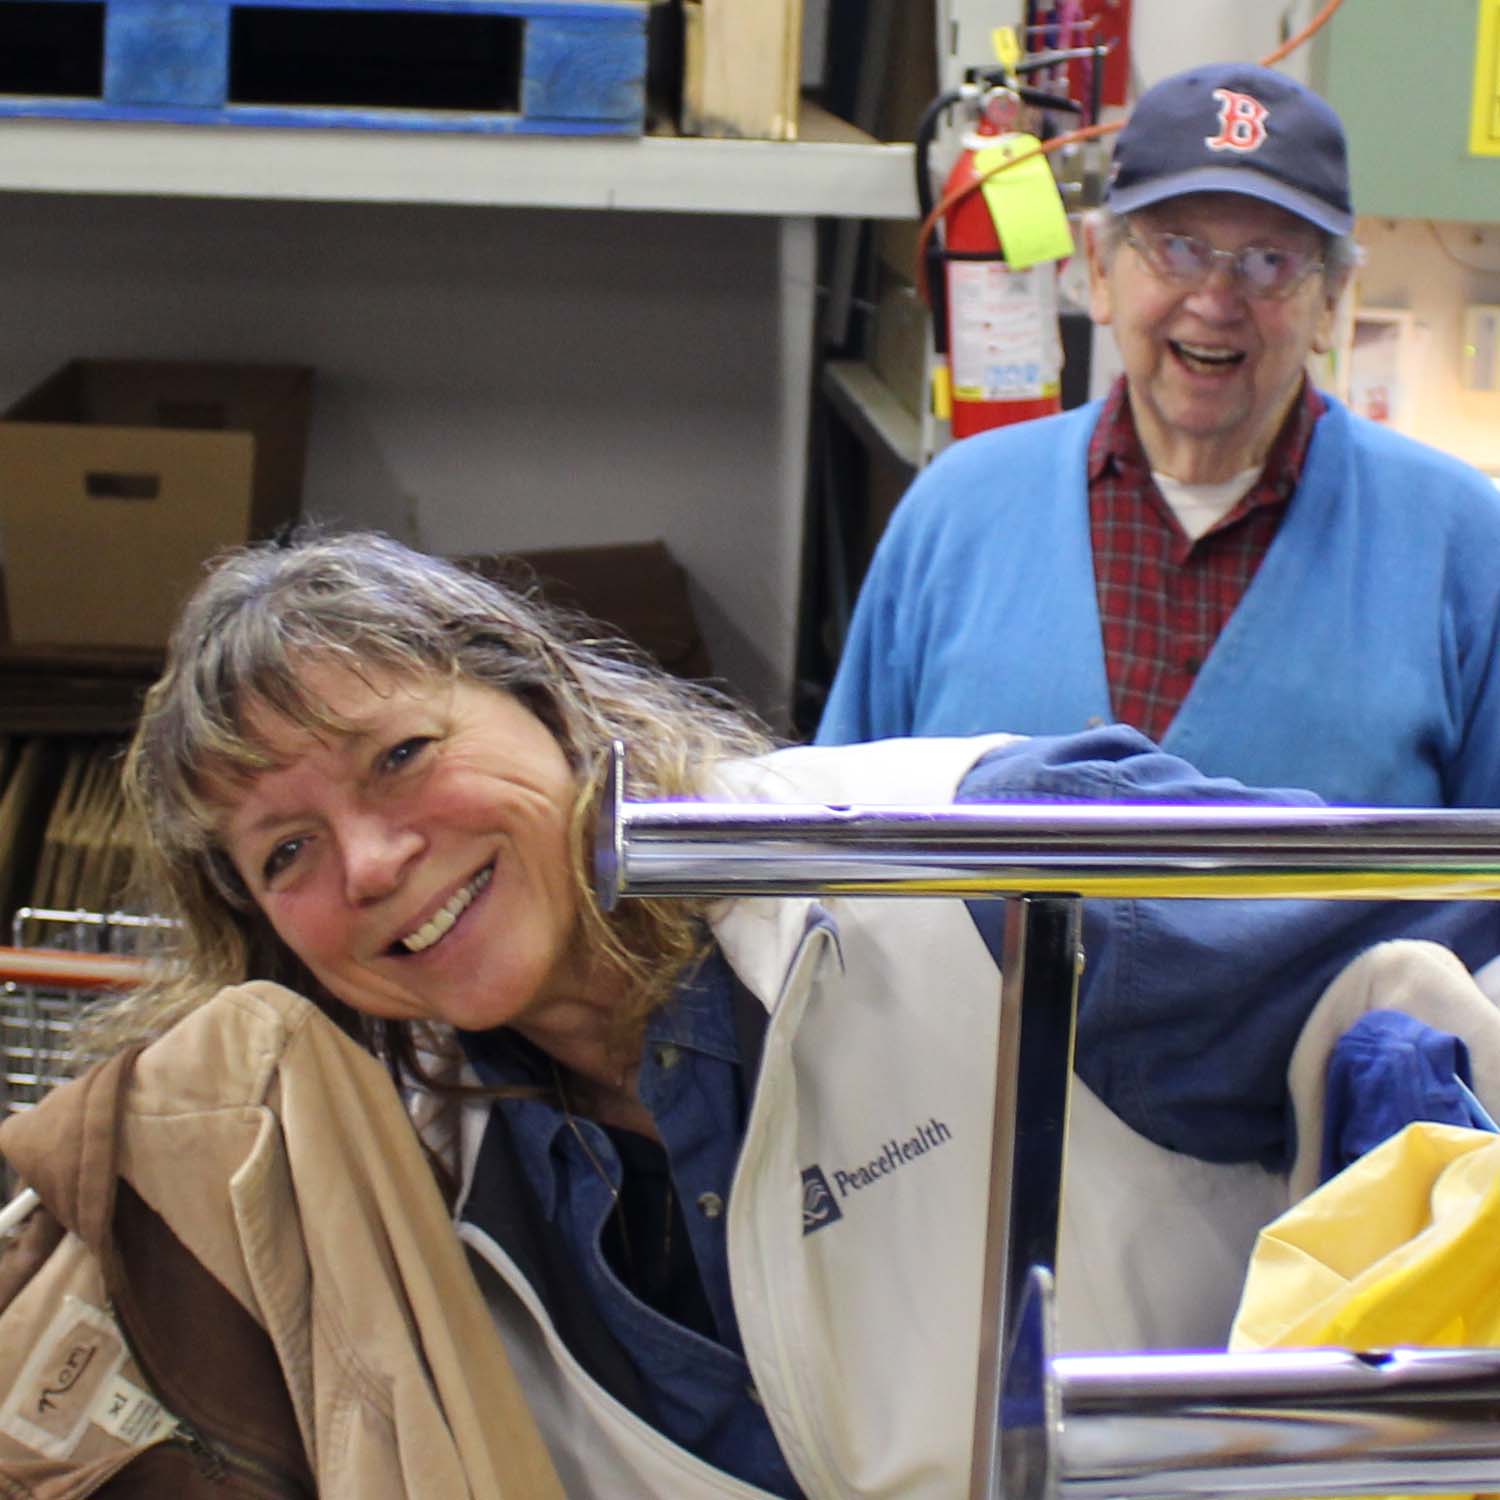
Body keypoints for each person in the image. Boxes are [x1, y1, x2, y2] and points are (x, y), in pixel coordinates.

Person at [4, 530, 1500, 1499]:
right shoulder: (406, 1189)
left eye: (398, 757)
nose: (374, 863)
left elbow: (1451, 947)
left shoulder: (972, 863)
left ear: (540, 700)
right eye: (287, 854)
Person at [816, 61, 1500, 809]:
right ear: (1100, 271)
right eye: (1177, 247)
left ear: (1330, 298)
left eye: (1270, 262)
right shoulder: (955, 514)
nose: (1214, 300)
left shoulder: (1464, 547)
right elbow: (835, 846)